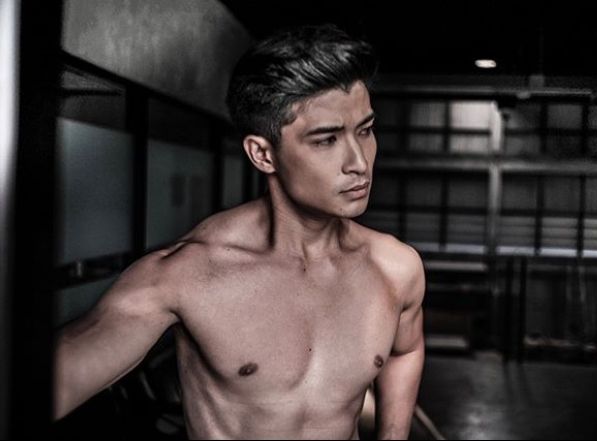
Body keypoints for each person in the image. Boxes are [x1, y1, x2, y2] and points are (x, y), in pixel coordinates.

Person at [54, 23, 426, 440]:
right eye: (326, 140)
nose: (359, 162)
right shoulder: (186, 275)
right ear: (262, 154)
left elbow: (405, 350)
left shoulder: (395, 269)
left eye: (365, 130)